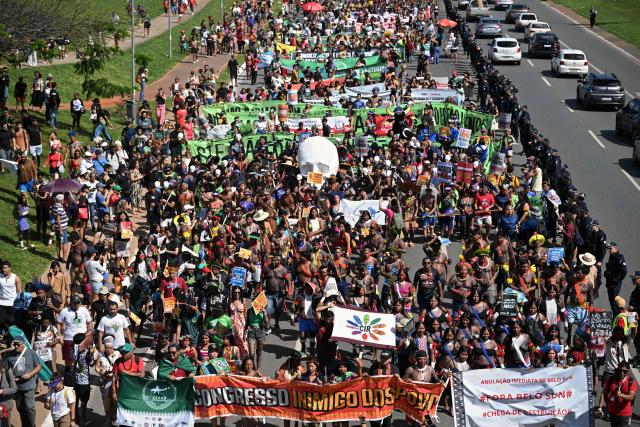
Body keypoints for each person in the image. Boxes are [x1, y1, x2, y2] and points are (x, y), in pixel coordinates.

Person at [3, 336, 40, 427]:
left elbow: (38, 366)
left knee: (29, 408)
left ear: (23, 344)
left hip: (29, 386)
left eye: (18, 344)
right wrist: (11, 378)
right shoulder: (9, 355)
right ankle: (25, 424)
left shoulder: (31, 353)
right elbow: (5, 370)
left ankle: (31, 425)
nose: (15, 346)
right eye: (14, 344)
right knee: (20, 408)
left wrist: (30, 374)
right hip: (16, 387)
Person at [57, 295, 92, 370]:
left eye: (78, 303)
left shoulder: (84, 310)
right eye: (74, 303)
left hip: (82, 339)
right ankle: (68, 374)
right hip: (69, 338)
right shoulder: (64, 311)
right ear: (70, 303)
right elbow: (59, 323)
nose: (76, 305)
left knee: (82, 358)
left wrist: (89, 334)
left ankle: (81, 374)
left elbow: (89, 322)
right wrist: (59, 336)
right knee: (68, 359)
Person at [602, 361, 636, 427]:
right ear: (617, 369)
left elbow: (632, 396)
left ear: (628, 371)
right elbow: (605, 392)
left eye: (625, 371)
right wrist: (608, 403)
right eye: (620, 370)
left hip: (625, 414)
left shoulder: (631, 382)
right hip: (612, 412)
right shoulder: (611, 379)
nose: (622, 373)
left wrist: (621, 395)